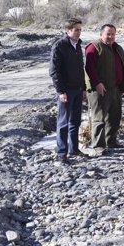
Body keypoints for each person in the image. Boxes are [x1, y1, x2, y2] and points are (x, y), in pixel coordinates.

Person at [85, 24, 124, 154]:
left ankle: (111, 141)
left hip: (115, 88)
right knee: (99, 118)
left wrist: (122, 87)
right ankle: (98, 146)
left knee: (114, 117)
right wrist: (97, 83)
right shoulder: (93, 48)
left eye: (113, 34)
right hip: (99, 89)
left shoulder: (117, 48)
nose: (110, 37)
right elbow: (89, 68)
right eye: (108, 34)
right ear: (101, 34)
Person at [49, 18, 88, 162]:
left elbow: (80, 69)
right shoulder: (59, 46)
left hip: (78, 89)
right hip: (66, 91)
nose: (79, 32)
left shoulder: (78, 45)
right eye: (76, 30)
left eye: (80, 29)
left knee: (75, 122)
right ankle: (61, 154)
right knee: (63, 123)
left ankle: (74, 149)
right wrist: (61, 91)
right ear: (68, 30)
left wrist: (83, 89)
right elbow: (54, 71)